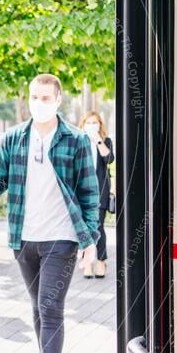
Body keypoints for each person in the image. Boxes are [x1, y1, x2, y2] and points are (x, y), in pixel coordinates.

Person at [0, 73, 99, 353]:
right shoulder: (15, 138)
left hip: (62, 238)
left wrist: (92, 238)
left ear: (57, 101)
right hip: (23, 239)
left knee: (50, 308)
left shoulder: (76, 140)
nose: (38, 103)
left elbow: (89, 193)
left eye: (45, 98)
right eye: (33, 97)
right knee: (39, 307)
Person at [79, 111, 114, 278]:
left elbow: (109, 159)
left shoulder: (105, 141)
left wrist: (98, 140)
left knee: (98, 226)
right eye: (89, 122)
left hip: (100, 191)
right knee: (84, 228)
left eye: (95, 122)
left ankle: (100, 261)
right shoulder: (79, 141)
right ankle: (87, 261)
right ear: (83, 124)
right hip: (82, 192)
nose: (92, 125)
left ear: (100, 124)